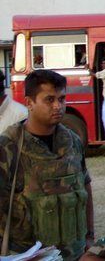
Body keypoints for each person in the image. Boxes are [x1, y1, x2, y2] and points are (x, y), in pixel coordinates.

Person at [0, 70, 94, 260]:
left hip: (72, 253)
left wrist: (89, 236)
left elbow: (84, 186)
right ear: (29, 102)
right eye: (49, 100)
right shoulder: (9, 146)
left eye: (62, 98)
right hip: (26, 254)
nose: (58, 106)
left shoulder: (72, 141)